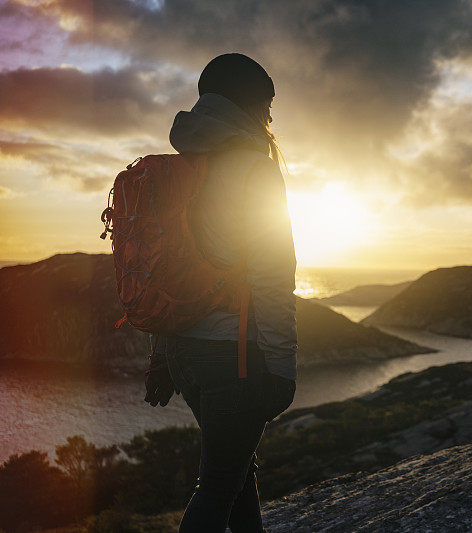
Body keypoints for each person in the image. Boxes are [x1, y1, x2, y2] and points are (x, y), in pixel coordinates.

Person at [143, 53, 298, 533]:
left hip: (181, 352)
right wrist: (283, 367)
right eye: (267, 104)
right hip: (233, 356)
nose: (270, 117)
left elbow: (163, 268)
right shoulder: (254, 168)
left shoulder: (179, 164)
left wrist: (159, 357)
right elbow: (273, 273)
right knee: (214, 489)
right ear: (248, 103)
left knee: (235, 469)